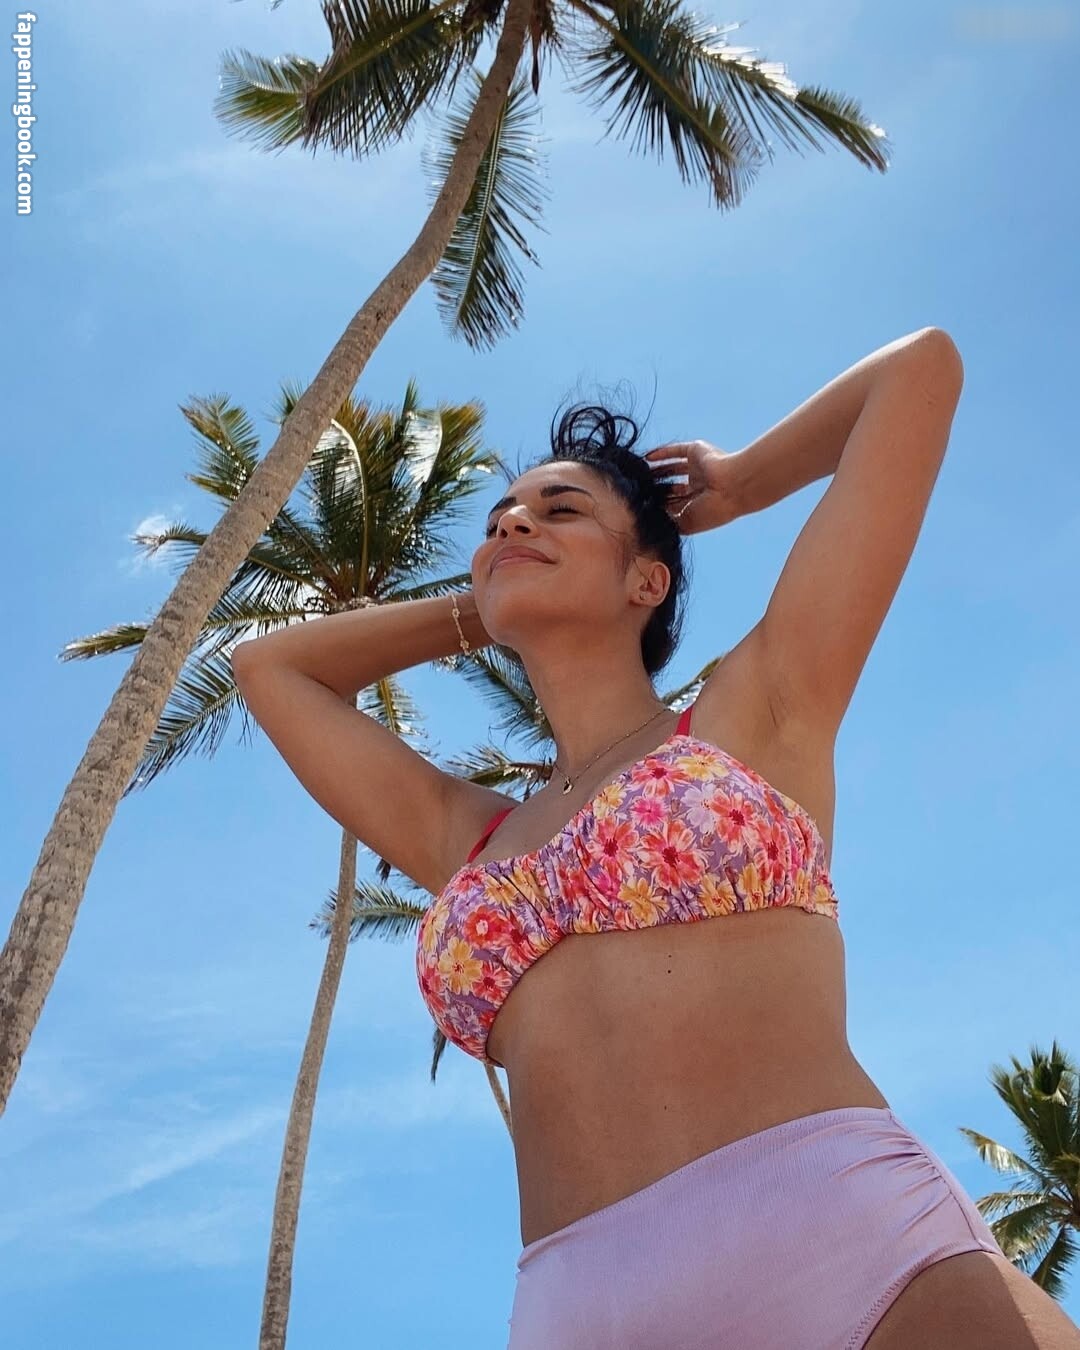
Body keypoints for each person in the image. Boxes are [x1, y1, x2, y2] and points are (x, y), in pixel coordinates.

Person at [232, 333, 1080, 1349]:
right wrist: (490, 599)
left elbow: (921, 371)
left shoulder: (755, 711)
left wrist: (743, 481)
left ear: (647, 581)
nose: (513, 523)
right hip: (576, 1299)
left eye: (560, 511)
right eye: (499, 521)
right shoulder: (469, 836)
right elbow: (270, 667)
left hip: (840, 1237)